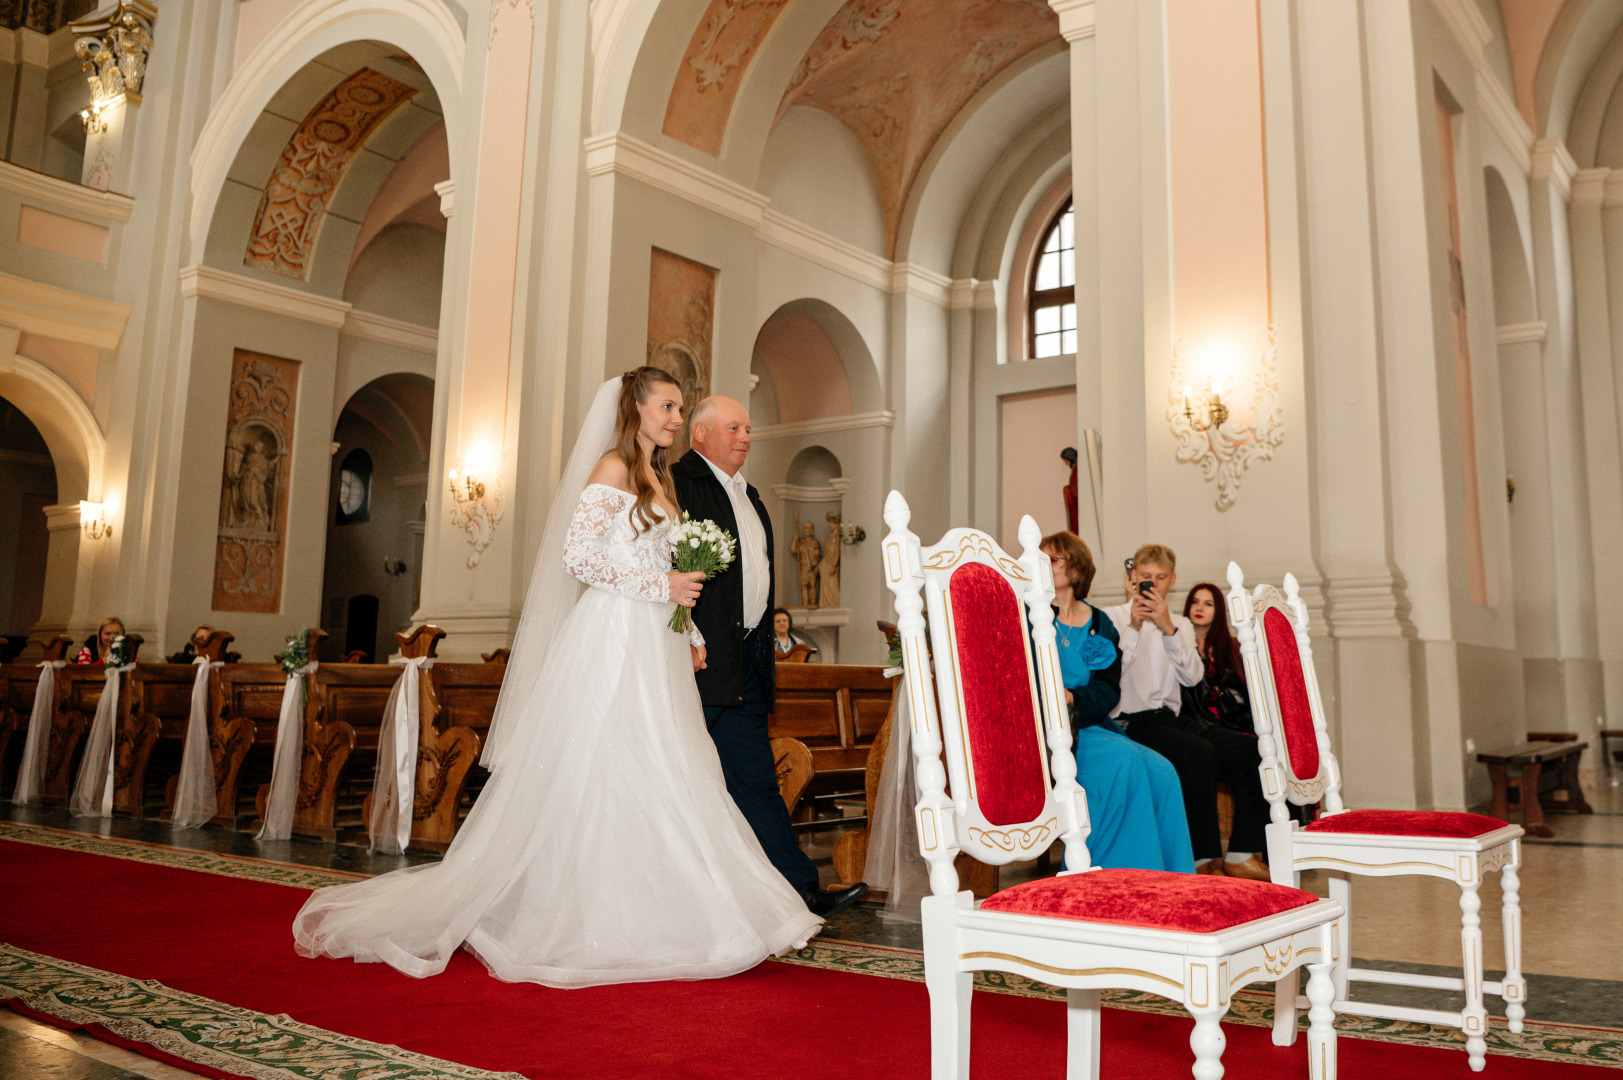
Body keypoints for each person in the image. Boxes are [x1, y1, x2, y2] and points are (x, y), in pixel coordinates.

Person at [292, 368, 822, 987]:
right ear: (637, 409)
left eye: (680, 409)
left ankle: (666, 911)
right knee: (607, 766)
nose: (677, 418)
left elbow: (663, 564)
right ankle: (575, 910)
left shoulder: (662, 475)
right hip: (612, 637)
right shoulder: (613, 468)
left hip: (656, 641)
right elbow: (582, 557)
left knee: (670, 767)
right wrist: (662, 588)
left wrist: (693, 632)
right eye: (668, 407)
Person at [673, 397, 867, 919]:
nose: (745, 436)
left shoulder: (752, 496)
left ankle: (799, 893)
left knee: (756, 782)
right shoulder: (679, 482)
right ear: (700, 435)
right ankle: (681, 900)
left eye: (749, 428)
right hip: (697, 661)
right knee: (676, 780)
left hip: (746, 666)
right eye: (733, 427)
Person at [1103, 545, 1272, 879]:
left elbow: (1193, 677)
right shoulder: (1112, 618)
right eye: (1145, 577)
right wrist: (1135, 628)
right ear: (1132, 577)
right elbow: (1111, 678)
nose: (1152, 584)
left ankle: (1239, 853)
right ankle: (1198, 859)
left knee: (1253, 750)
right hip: (1130, 721)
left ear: (1172, 580)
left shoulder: (1178, 623)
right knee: (1198, 754)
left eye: (1160, 578)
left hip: (1173, 720)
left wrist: (1168, 630)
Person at [1041, 532, 1193, 873]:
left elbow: (1109, 689)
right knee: (1122, 760)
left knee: (1162, 770)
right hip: (1048, 730)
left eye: (1053, 560)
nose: (1043, 565)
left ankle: (1171, 878)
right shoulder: (1028, 615)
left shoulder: (1099, 621)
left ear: (1077, 570)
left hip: (1088, 723)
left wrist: (1073, 697)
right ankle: (1109, 876)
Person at [1182, 584, 1252, 734]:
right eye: (1195, 602)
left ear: (1218, 610)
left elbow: (1246, 690)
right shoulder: (1179, 646)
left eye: (1208, 604)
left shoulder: (1232, 648)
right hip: (1197, 726)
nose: (1199, 608)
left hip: (1235, 724)